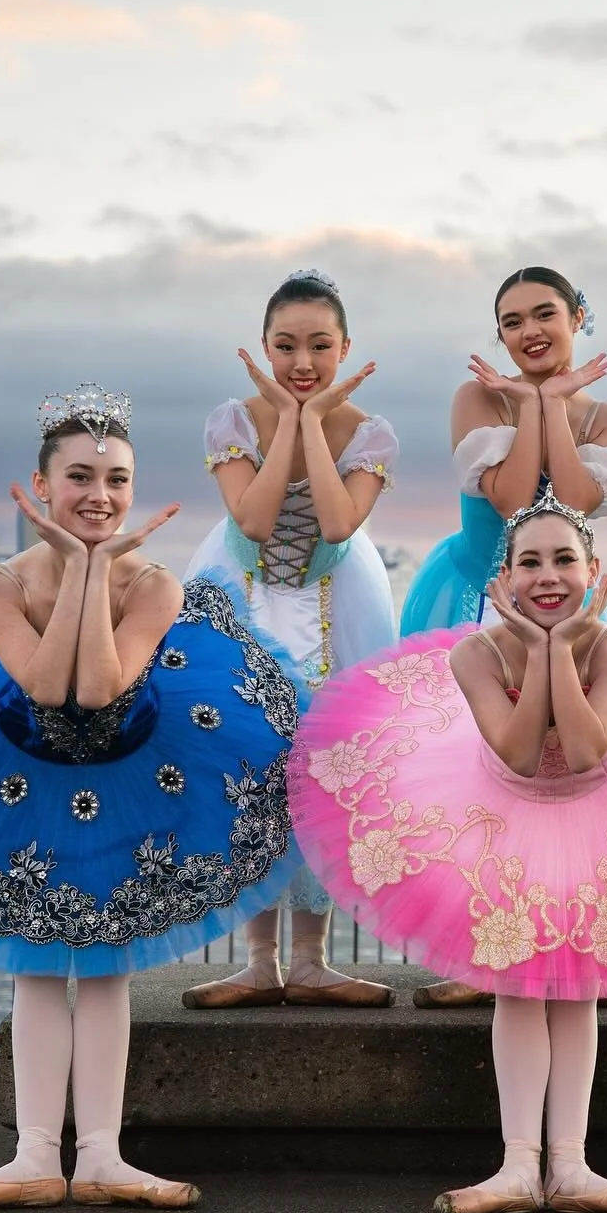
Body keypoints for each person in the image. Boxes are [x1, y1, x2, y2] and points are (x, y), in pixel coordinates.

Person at [0, 384, 302, 1210]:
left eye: (115, 480)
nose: (98, 496)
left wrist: (100, 565)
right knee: (37, 963)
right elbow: (44, 686)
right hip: (15, 774)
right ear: (41, 489)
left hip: (136, 772)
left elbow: (102, 690)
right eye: (78, 477)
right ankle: (36, 1154)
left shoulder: (153, 586)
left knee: (103, 965)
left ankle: (103, 1153)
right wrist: (75, 569)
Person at [289, 489, 607, 1213]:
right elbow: (518, 753)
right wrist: (541, 652)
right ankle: (518, 1166)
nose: (548, 576)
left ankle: (572, 1166)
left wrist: (556, 650)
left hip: (600, 810)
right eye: (530, 563)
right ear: (505, 579)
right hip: (499, 809)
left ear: (593, 571)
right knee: (517, 989)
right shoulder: (475, 652)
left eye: (564, 560)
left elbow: (582, 752)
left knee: (577, 993)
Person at [400, 266, 607, 1008]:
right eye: (511, 321)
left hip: (570, 607)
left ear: (577, 318)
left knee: (574, 782)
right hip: (471, 598)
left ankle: (577, 948)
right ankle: (480, 953)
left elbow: (569, 500)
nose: (529, 331)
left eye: (545, 314)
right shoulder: (477, 398)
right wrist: (535, 401)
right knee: (476, 785)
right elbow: (508, 501)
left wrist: (554, 405)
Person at [179, 269, 401, 1011]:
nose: (302, 363)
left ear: (346, 348)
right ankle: (257, 960)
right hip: (242, 596)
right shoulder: (231, 421)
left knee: (325, 776)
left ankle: (312, 960)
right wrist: (286, 421)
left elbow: (337, 526)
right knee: (248, 769)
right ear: (264, 346)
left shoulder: (371, 434)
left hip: (339, 598)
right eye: (285, 345)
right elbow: (254, 519)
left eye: (319, 345)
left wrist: (309, 423)